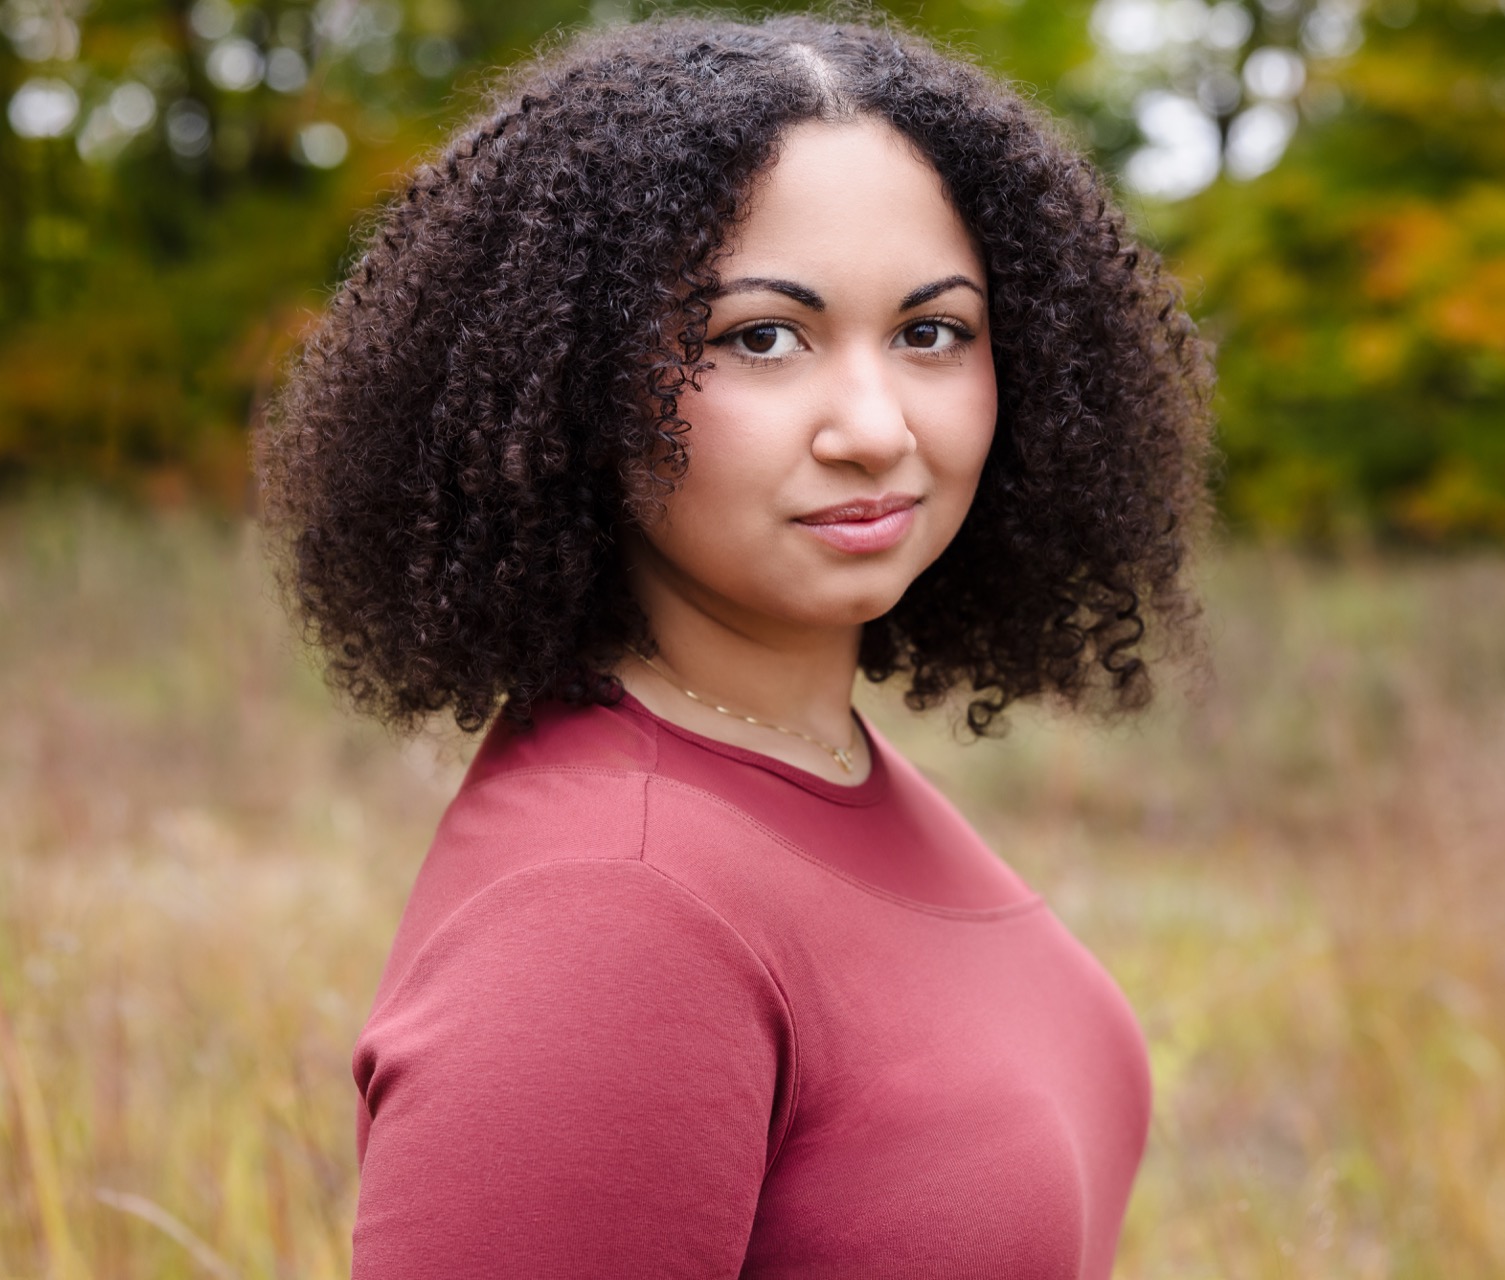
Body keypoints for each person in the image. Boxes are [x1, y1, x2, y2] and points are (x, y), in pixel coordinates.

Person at [257, 12, 1212, 1278]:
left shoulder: (820, 767)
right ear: (577, 385)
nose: (875, 427)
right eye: (760, 337)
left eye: (931, 331)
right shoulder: (611, 914)